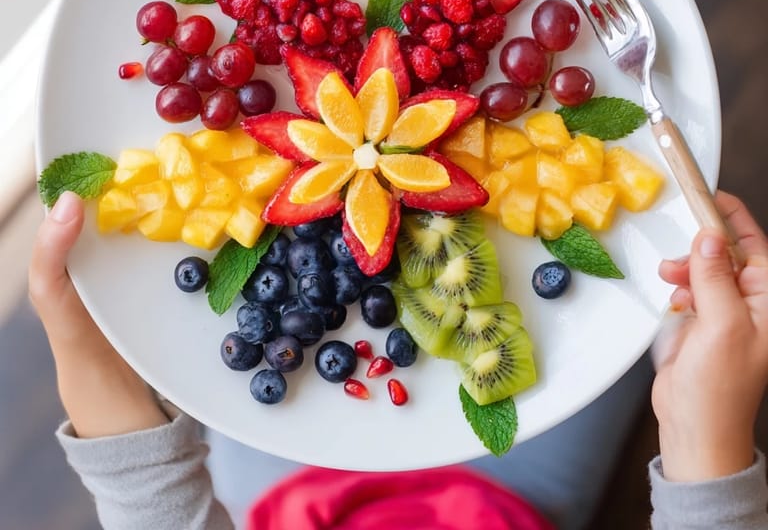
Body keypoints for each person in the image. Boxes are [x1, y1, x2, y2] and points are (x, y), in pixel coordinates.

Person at [28, 190, 768, 530]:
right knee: (625, 309)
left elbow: (158, 512)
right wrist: (701, 434)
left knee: (243, 338)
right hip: (517, 501)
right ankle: (677, 316)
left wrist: (88, 359)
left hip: (290, 499)